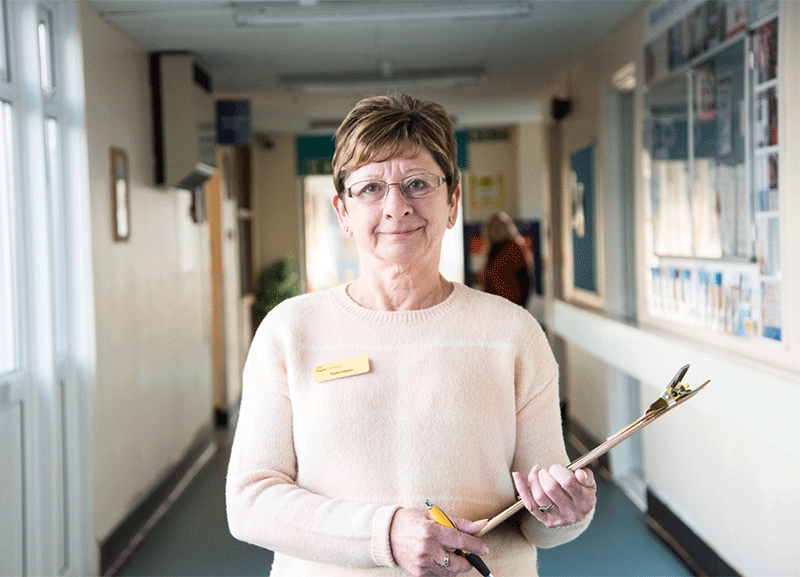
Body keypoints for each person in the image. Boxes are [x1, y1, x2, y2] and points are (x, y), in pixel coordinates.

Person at [226, 94, 596, 577]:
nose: (396, 207)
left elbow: (538, 518)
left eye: (418, 184)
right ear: (342, 211)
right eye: (371, 188)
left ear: (453, 201)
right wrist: (385, 535)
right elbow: (250, 502)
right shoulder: (289, 332)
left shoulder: (512, 334)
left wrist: (565, 513)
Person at [481, 212, 534, 308]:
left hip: (513, 304)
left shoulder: (515, 248)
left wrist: (522, 306)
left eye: (500, 226)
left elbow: (525, 278)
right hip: (496, 305)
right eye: (493, 227)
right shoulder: (492, 251)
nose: (496, 230)